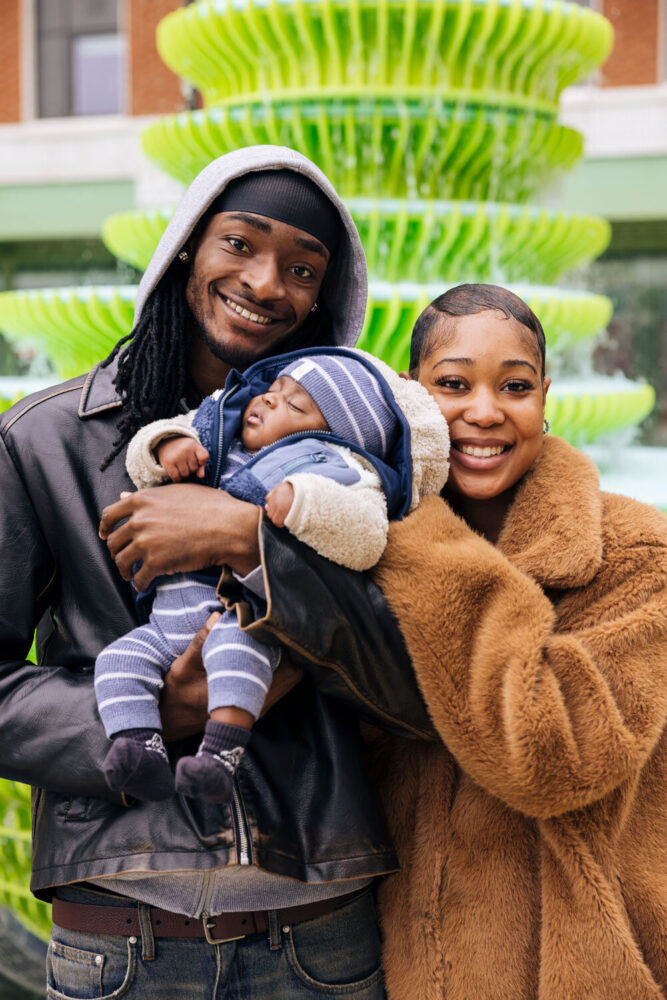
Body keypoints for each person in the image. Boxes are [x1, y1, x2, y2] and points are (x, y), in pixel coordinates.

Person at [0, 145, 434, 999]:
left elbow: (418, 686)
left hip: (320, 940)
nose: (266, 283)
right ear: (186, 249)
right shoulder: (44, 441)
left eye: (303, 268)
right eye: (239, 243)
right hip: (119, 944)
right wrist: (158, 712)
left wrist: (249, 539)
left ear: (324, 299)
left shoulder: (359, 470)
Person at [248, 283, 667, 999]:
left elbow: (555, 757)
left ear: (545, 396)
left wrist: (419, 539)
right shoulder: (352, 545)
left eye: (515, 386)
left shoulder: (636, 553)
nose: (485, 410)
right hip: (409, 971)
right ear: (408, 392)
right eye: (453, 384)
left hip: (584, 974)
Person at [96, 347, 448, 803]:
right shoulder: (219, 432)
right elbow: (143, 456)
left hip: (238, 614)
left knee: (236, 654)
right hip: (164, 621)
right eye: (274, 389)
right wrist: (166, 445)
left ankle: (219, 755)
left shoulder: (340, 471)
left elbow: (364, 536)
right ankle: (140, 751)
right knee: (117, 661)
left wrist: (302, 502)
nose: (266, 399)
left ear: (331, 437)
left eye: (294, 405)